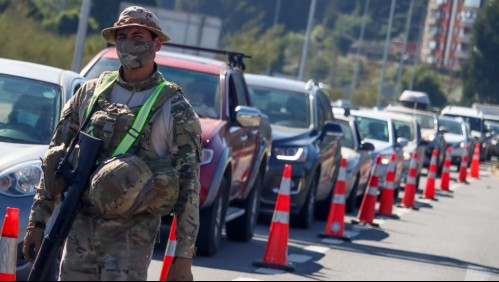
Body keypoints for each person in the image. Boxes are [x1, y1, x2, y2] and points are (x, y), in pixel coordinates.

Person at [22, 6, 201, 281]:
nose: (129, 43)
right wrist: (38, 221)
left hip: (131, 239)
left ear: (156, 44)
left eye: (138, 36)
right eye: (122, 36)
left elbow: (189, 186)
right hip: (79, 228)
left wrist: (183, 255)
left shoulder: (174, 107)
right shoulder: (90, 93)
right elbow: (55, 159)